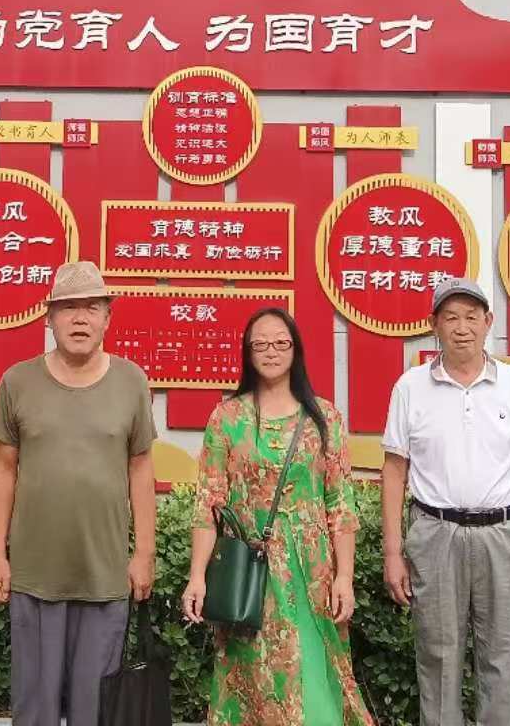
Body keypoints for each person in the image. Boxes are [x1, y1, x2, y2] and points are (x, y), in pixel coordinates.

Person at [381, 276, 510, 726]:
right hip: (435, 535)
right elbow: (394, 472)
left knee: (505, 658)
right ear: (434, 325)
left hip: (507, 536)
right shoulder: (410, 388)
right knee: (438, 659)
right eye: (451, 318)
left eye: (471, 317)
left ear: (488, 322)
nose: (462, 328)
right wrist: (393, 553)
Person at [182, 307, 373, 726]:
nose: (271, 352)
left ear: (296, 349)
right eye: (261, 344)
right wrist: (197, 576)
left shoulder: (324, 418)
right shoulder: (227, 418)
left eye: (280, 343)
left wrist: (344, 577)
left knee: (316, 674)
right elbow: (209, 504)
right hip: (248, 574)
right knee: (251, 676)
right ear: (248, 353)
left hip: (313, 574)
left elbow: (341, 504)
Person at [0, 260, 157, 726]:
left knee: (94, 710)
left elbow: (141, 469)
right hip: (34, 575)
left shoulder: (131, 381)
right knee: (34, 708)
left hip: (104, 574)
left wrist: (144, 553)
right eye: (68, 308)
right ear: (49, 318)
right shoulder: (17, 382)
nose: (80, 318)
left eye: (91, 307)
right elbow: (3, 471)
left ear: (107, 318)